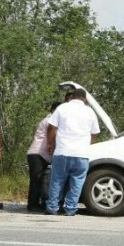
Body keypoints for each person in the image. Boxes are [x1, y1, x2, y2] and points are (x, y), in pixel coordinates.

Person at [44, 88, 100, 216]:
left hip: (62, 151)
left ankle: (52, 207)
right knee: (77, 182)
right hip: (81, 154)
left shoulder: (62, 108)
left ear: (73, 97)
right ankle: (70, 209)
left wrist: (50, 143)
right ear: (85, 99)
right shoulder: (90, 111)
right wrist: (87, 143)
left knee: (57, 180)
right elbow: (95, 132)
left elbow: (51, 127)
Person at [26, 101, 61, 212]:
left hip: (43, 155)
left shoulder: (52, 121)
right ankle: (32, 204)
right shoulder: (49, 121)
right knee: (36, 180)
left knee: (42, 180)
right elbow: (55, 135)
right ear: (53, 110)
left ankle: (39, 203)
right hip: (37, 154)